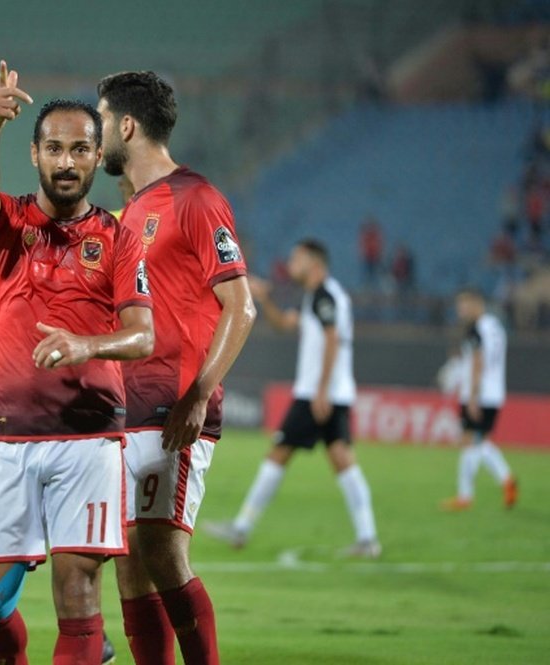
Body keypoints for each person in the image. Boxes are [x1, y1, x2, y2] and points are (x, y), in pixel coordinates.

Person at [0, 61, 154, 665]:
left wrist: (86, 344)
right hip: (9, 438)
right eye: (54, 149)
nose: (66, 162)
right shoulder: (4, 224)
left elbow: (142, 336)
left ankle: (84, 647)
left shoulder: (121, 237)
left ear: (98, 158)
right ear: (35, 155)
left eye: (79, 150)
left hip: (89, 434)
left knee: (77, 592)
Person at [96, 70, 256, 665]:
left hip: (173, 408)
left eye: (103, 118)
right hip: (125, 405)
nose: (98, 130)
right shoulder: (131, 211)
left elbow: (241, 305)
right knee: (131, 565)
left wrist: (198, 394)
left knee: (163, 553)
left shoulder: (196, 197)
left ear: (128, 125)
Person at [209, 240, 381, 559]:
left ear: (314, 264)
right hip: (331, 392)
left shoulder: (324, 296)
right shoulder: (320, 297)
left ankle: (242, 527)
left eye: (296, 258)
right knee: (342, 459)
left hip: (317, 393)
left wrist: (321, 389)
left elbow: (332, 340)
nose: (291, 263)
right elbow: (285, 326)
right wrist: (265, 300)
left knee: (278, 453)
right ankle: (368, 538)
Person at [441, 288, 518, 511]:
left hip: (478, 393)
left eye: (463, 305)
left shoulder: (476, 330)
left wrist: (473, 397)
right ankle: (504, 482)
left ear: (477, 303)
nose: (460, 310)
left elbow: (478, 362)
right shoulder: (495, 327)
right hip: (495, 392)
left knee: (470, 441)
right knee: (478, 442)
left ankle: (467, 495)